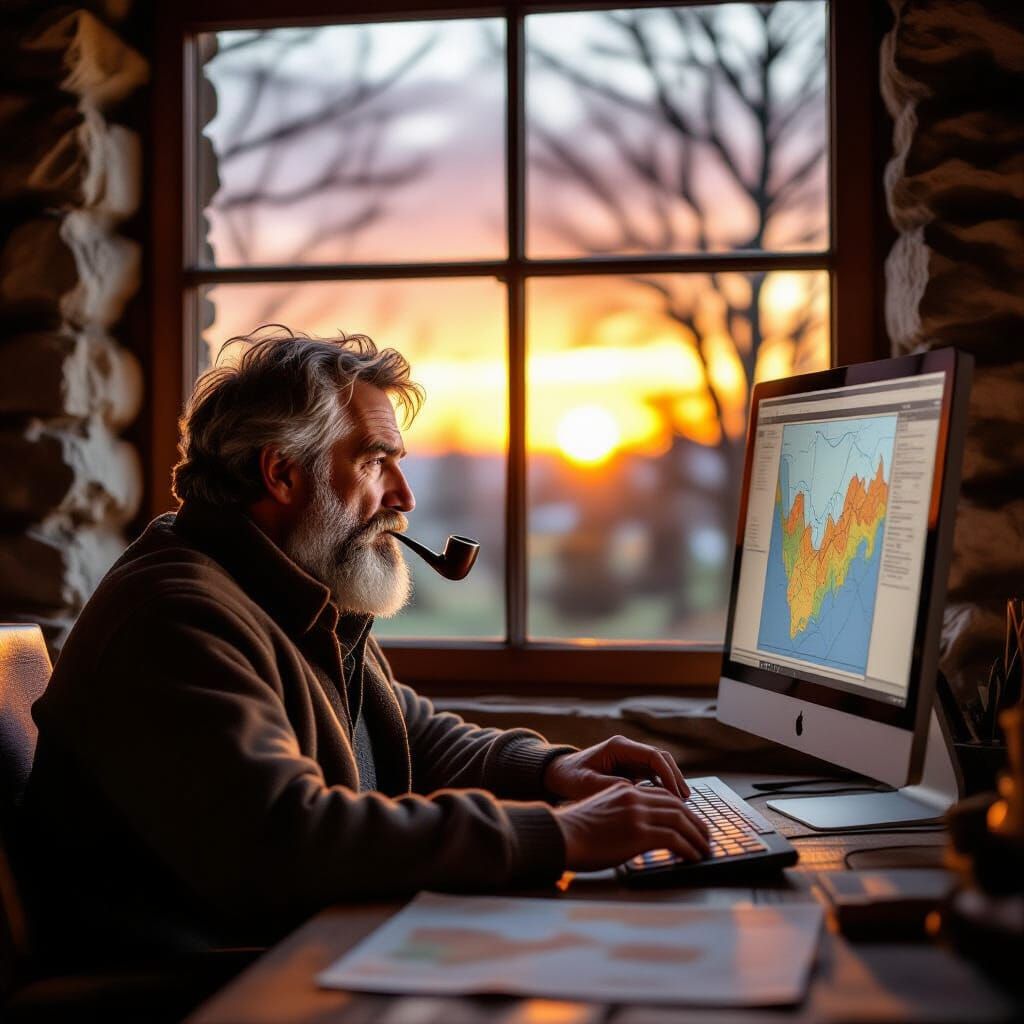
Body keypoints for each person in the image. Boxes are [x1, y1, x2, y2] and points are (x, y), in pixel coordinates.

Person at [21, 328, 709, 963]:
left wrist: (550, 772)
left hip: (297, 949)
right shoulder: (175, 619)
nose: (404, 494)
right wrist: (561, 835)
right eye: (377, 461)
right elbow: (290, 840)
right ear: (282, 474)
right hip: (208, 982)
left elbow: (400, 731)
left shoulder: (285, 588)